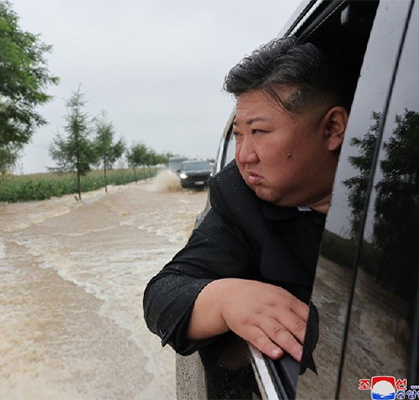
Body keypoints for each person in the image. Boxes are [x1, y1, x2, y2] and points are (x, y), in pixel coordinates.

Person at [143, 36, 349, 366]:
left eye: (259, 132)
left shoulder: (408, 199)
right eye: (238, 134)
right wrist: (225, 300)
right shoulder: (239, 198)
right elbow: (162, 296)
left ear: (332, 130)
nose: (243, 156)